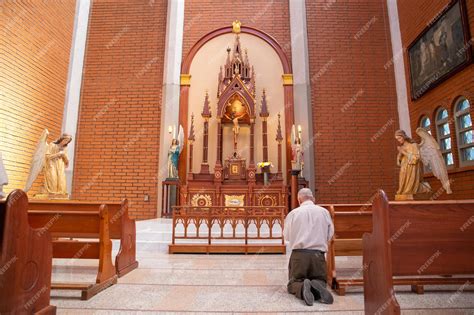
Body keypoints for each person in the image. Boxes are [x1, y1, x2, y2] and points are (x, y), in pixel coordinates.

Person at [283, 188, 334, 306]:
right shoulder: (324, 212)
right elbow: (330, 234)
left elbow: (287, 236)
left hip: (299, 255)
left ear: (299, 200)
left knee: (293, 283)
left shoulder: (294, 213)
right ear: (313, 199)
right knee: (321, 280)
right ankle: (317, 284)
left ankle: (302, 286)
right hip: (318, 255)